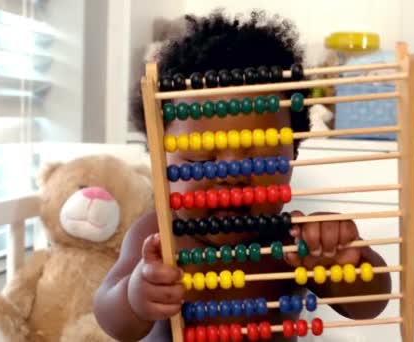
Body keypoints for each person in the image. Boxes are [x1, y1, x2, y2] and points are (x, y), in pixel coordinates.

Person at [93, 10, 391, 342]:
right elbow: (111, 319)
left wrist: (347, 261)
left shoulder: (295, 242)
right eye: (199, 157)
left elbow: (370, 304)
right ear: (161, 161)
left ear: (293, 154)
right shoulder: (157, 237)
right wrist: (136, 295)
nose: (230, 176)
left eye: (259, 156)